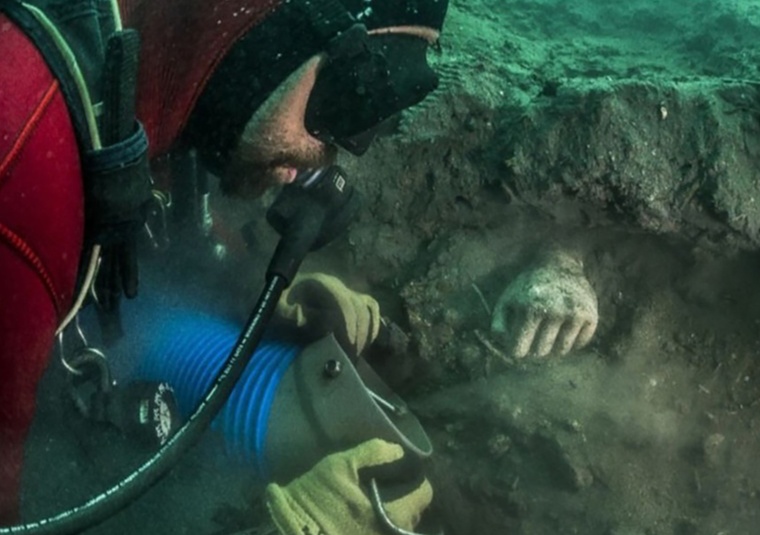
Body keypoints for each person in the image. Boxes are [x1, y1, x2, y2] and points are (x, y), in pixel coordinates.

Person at [0, 0, 449, 532]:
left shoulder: (151, 77)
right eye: (348, 94)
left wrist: (246, 292)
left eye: (376, 112)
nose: (329, 157)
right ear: (256, 21)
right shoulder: (23, 148)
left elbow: (149, 243)